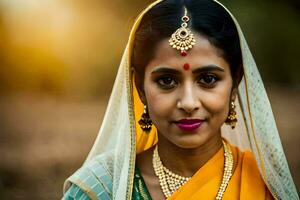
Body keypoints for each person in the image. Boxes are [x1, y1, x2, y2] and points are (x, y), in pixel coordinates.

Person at [62, 0, 299, 199]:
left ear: (235, 84)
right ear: (139, 88)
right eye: (167, 81)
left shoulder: (267, 187)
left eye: (207, 79)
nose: (188, 102)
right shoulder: (101, 188)